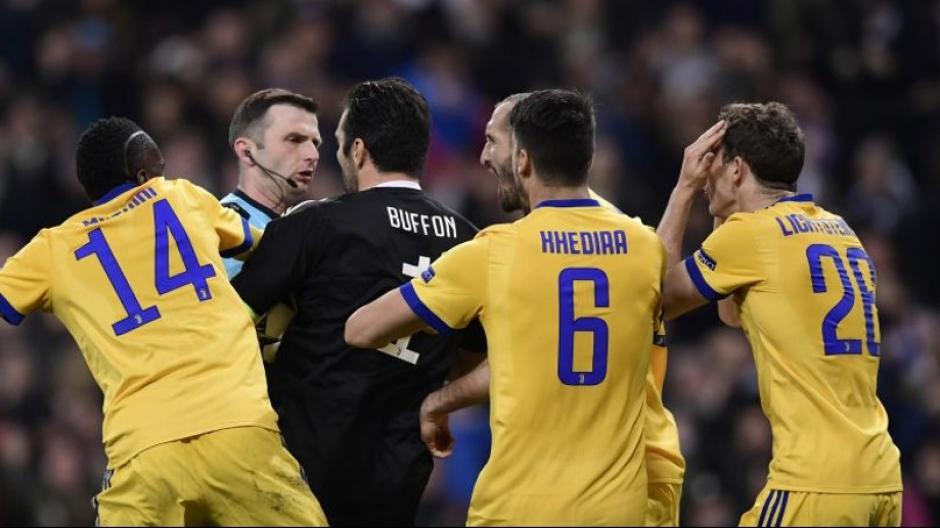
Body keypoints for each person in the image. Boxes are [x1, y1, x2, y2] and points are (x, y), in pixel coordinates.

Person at [346, 89, 663, 526]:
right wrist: (440, 402)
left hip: (520, 507)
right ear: (588, 160)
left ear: (524, 160)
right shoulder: (645, 248)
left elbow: (361, 329)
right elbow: (530, 362)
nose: (483, 157)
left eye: (492, 142)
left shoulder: (494, 253)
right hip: (617, 511)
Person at [0, 117, 326, 526]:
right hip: (241, 430)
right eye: (158, 167)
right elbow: (267, 250)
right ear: (142, 175)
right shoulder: (182, 197)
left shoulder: (53, 248)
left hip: (146, 450)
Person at [231, 78, 484, 526]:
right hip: (396, 484)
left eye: (338, 142)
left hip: (298, 482)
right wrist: (436, 399)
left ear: (359, 150)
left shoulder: (318, 225)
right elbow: (472, 360)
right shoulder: (470, 243)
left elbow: (228, 319)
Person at [657, 102, 902, 526]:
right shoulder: (841, 230)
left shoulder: (753, 235)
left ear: (737, 169)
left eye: (714, 166)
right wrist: (724, 210)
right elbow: (732, 314)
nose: (705, 179)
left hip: (815, 481)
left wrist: (683, 189)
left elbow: (657, 297)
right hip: (880, 475)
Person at [221, 88, 321, 278]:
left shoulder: (305, 228)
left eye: (315, 143)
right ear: (247, 152)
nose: (313, 155)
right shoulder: (225, 230)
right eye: (294, 140)